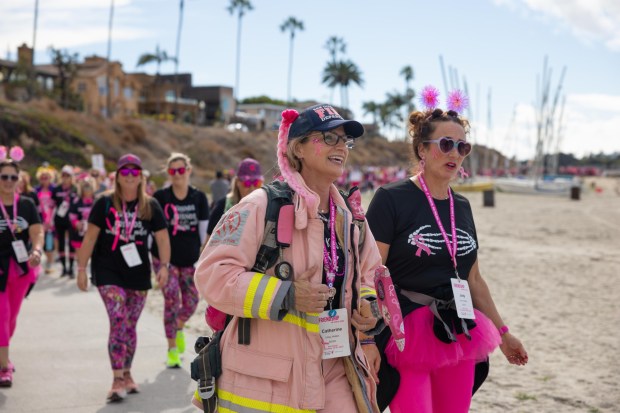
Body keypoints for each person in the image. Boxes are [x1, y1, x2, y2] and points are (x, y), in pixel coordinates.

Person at [194, 104, 383, 413]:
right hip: (269, 381)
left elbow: (371, 273)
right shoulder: (260, 205)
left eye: (345, 141)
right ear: (298, 148)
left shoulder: (351, 218)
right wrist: (288, 294)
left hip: (338, 368)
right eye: (329, 138)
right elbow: (212, 274)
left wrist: (369, 306)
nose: (341, 148)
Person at [366, 88, 528, 413]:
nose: (455, 153)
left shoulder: (463, 206)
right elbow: (370, 273)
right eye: (445, 144)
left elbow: (474, 280)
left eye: (462, 146)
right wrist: (368, 337)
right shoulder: (391, 198)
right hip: (407, 332)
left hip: (458, 328)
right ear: (422, 149)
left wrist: (504, 332)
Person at [76, 153, 171, 403]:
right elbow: (90, 238)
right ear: (117, 177)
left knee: (129, 326)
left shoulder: (150, 206)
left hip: (138, 274)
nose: (130, 177)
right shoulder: (104, 203)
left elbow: (162, 238)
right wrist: (80, 269)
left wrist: (164, 267)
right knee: (118, 320)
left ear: (141, 177)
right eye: (125, 172)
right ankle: (117, 378)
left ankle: (127, 373)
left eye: (135, 172)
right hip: (108, 272)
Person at [152, 153, 209, 368]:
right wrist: (156, 262)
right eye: (173, 171)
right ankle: (172, 349)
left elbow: (204, 232)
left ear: (188, 170)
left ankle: (178, 326)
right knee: (171, 301)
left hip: (189, 259)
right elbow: (153, 231)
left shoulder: (199, 197)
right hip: (165, 260)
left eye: (181, 170)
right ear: (168, 173)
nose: (177, 174)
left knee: (192, 300)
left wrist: (204, 257)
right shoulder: (160, 197)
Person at [0, 146, 44, 387]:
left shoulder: (26, 204)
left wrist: (36, 250)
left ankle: (2, 354)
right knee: (1, 315)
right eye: (4, 177)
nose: (8, 181)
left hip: (20, 268)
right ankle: (4, 367)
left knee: (11, 318)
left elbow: (37, 232)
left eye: (13, 177)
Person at [205, 158, 263, 242]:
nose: (252, 187)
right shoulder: (223, 206)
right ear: (237, 182)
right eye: (247, 183)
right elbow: (208, 242)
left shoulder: (266, 207)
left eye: (256, 182)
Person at [52, 165, 77, 277]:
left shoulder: (76, 188)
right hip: (59, 220)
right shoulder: (57, 189)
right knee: (61, 243)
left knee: (72, 244)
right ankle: (63, 268)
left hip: (72, 221)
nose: (65, 178)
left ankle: (71, 268)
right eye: (63, 175)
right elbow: (52, 205)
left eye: (68, 175)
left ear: (72, 177)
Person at [35, 165, 56, 274]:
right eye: (42, 177)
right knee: (42, 241)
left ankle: (49, 262)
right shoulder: (36, 190)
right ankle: (47, 261)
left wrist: (50, 220)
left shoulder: (55, 189)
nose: (44, 179)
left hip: (52, 219)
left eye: (46, 177)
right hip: (40, 219)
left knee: (50, 242)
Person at [67, 177, 96, 259]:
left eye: (89, 186)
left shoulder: (97, 200)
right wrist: (76, 223)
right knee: (81, 259)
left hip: (93, 233)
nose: (87, 188)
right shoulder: (76, 200)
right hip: (79, 233)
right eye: (85, 186)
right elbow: (72, 215)